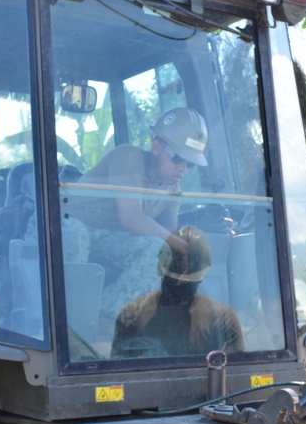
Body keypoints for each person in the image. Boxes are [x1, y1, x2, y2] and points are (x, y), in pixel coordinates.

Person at [66, 107, 209, 316]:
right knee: (74, 232)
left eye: (190, 164)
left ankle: (104, 318)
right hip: (66, 225)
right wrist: (182, 245)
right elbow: (131, 219)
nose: (183, 169)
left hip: (108, 239)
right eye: (178, 158)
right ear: (157, 147)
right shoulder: (128, 157)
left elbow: (167, 235)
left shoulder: (173, 190)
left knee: (160, 250)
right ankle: (70, 316)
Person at [111, 226, 244, 357]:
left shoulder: (222, 319)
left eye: (189, 277)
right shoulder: (131, 315)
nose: (181, 281)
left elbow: (236, 372)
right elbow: (116, 372)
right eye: (175, 275)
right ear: (161, 271)